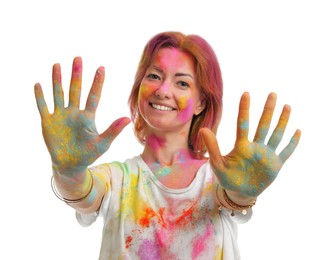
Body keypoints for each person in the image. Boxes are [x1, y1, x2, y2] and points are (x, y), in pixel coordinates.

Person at [34, 31, 301, 259]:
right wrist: (67, 171)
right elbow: (83, 192)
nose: (163, 90)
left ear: (201, 103)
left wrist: (243, 193)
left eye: (182, 82)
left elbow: (231, 197)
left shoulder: (219, 177)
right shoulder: (118, 180)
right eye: (154, 76)